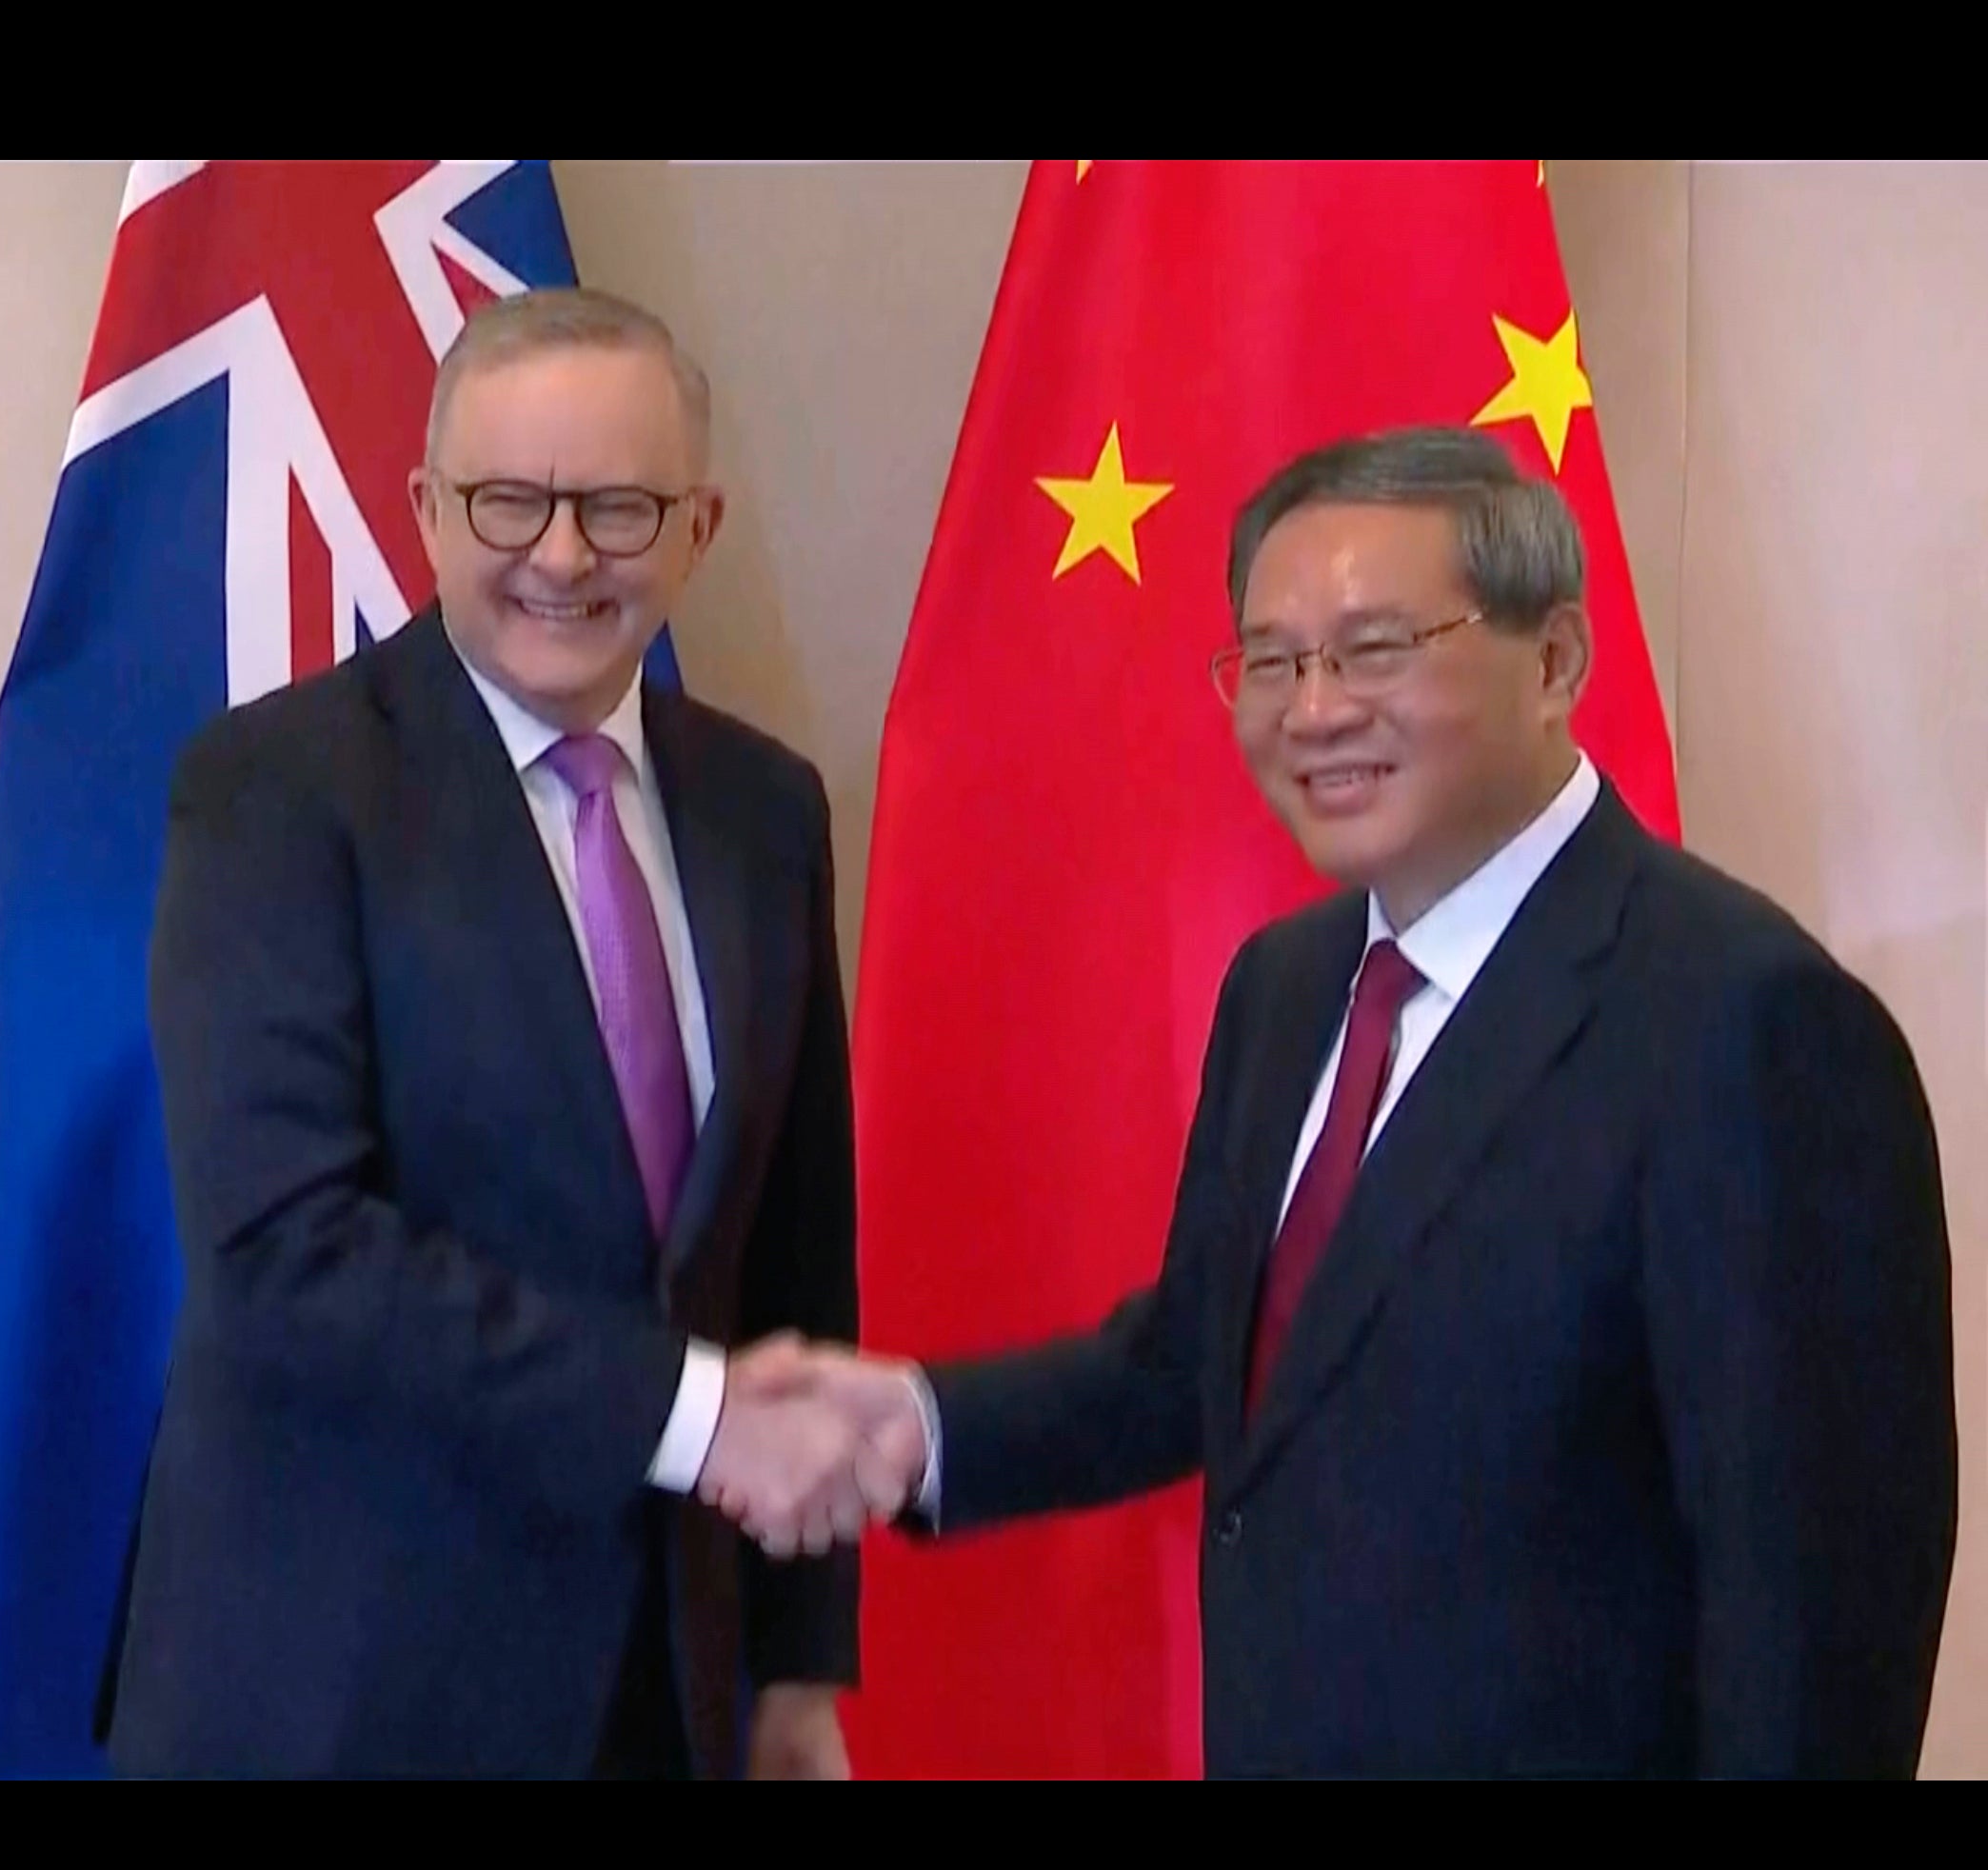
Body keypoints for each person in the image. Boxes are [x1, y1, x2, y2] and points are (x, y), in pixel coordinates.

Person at [736, 426, 1959, 1778]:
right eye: (1271, 659)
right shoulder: (1293, 982)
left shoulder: (1747, 1023)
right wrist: (916, 1430)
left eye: (1375, 650)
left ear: (1555, 660)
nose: (1312, 710)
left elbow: (1818, 1609)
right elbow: (1209, 1362)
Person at [95, 288, 883, 1780]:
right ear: (427, 512)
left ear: (698, 527)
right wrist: (695, 1416)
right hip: (340, 1690)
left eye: (621, 506)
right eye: (511, 501)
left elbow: (793, 1250)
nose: (564, 555)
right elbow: (285, 1253)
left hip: (668, 1694)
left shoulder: (766, 810)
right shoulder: (276, 792)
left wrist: (794, 1669)